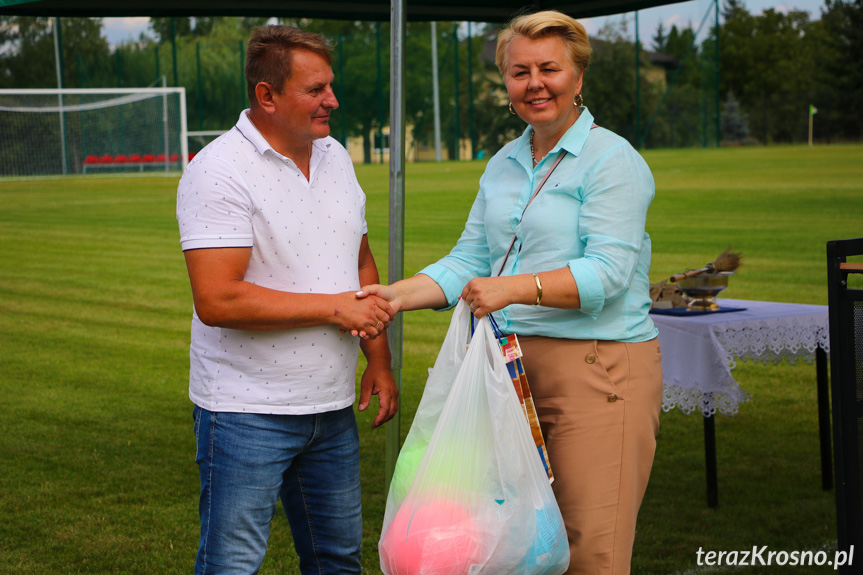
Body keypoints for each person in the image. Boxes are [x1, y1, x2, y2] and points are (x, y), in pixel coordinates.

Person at [359, 10, 661, 575]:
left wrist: (512, 289)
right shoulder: (502, 162)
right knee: (517, 540)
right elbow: (471, 259)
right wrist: (394, 296)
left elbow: (608, 274)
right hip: (510, 369)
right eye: (519, 72)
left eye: (549, 69)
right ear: (507, 84)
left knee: (590, 546)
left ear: (578, 77)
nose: (535, 84)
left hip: (598, 370)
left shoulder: (613, 161)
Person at [176, 24, 398, 575]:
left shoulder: (336, 156)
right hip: (245, 410)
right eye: (316, 89)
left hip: (331, 405)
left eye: (331, 86)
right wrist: (332, 307)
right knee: (232, 565)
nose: (333, 100)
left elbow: (360, 260)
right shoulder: (218, 170)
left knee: (338, 561)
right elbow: (218, 300)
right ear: (267, 96)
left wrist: (379, 359)